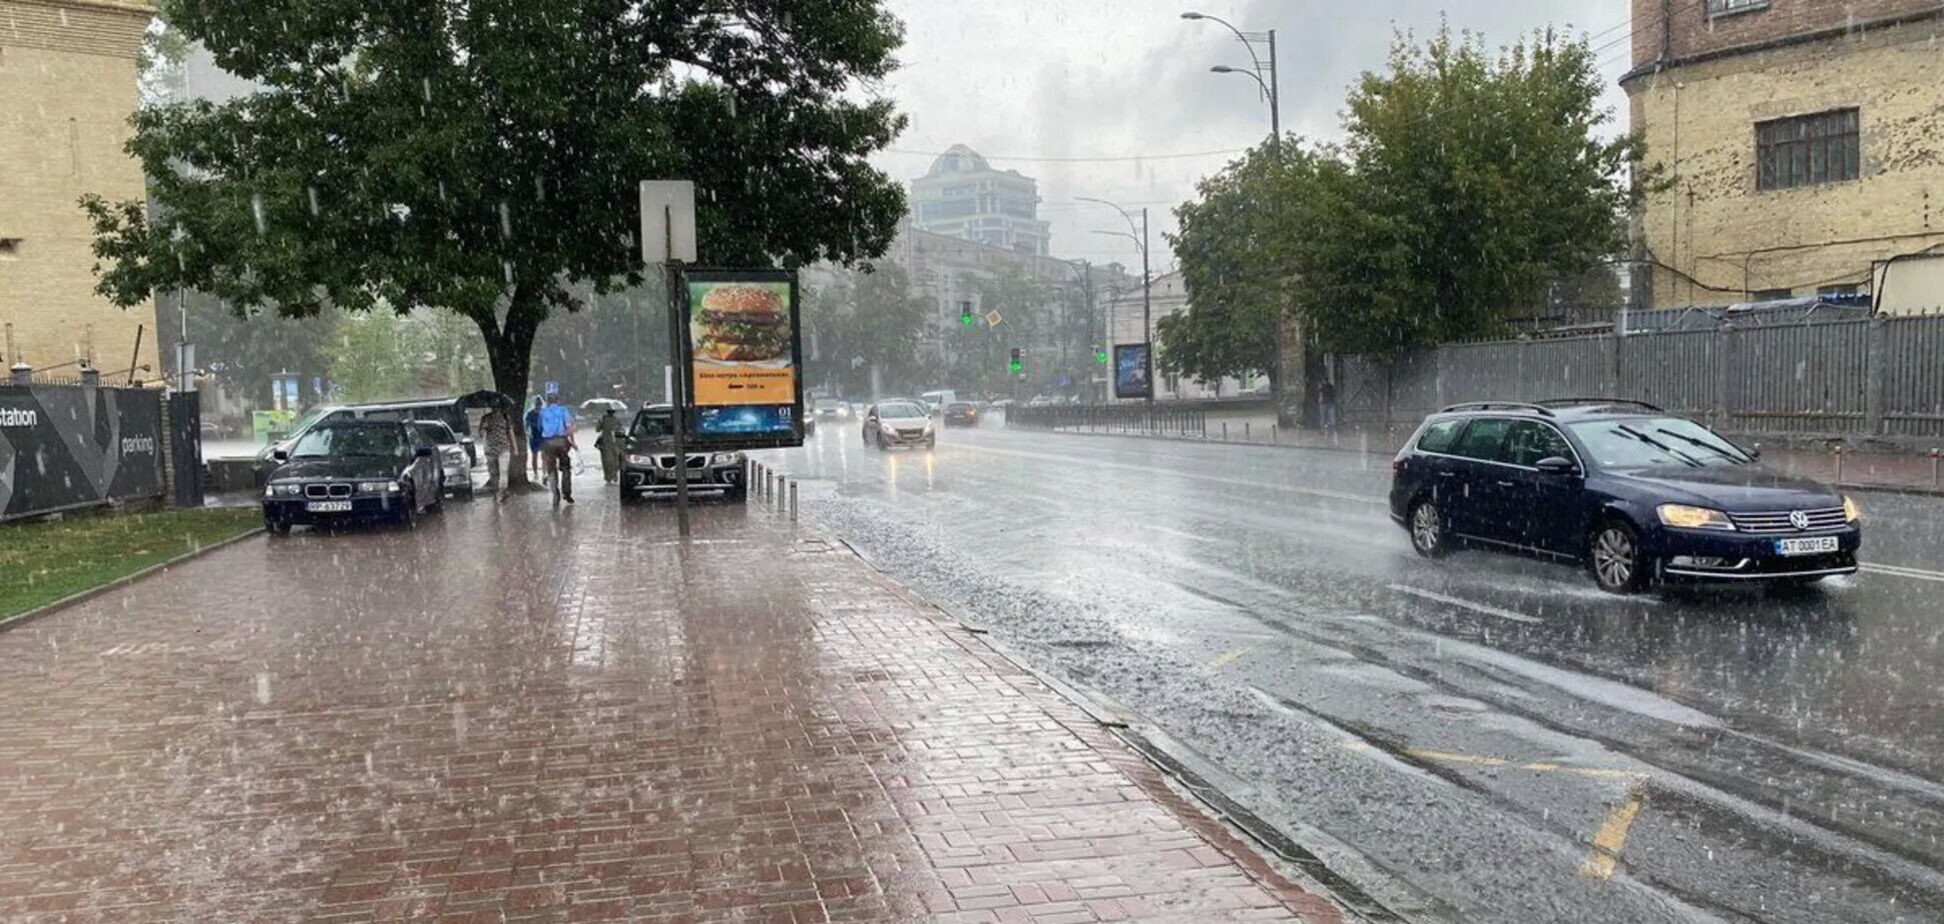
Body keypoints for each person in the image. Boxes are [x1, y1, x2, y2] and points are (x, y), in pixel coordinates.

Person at [536, 394, 577, 503]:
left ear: (548, 401)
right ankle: (567, 492)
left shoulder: (542, 412)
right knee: (566, 467)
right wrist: (571, 441)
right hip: (562, 442)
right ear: (558, 401)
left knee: (551, 467)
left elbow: (539, 428)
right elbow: (569, 427)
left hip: (548, 443)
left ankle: (555, 493)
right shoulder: (563, 410)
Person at [480, 403, 514, 501]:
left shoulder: (506, 417)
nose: (496, 408)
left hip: (504, 448)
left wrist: (515, 447)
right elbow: (481, 434)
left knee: (503, 472)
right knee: (493, 473)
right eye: (494, 406)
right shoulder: (486, 418)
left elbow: (511, 433)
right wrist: (484, 428)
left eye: (497, 406)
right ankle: (496, 492)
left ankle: (502, 492)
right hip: (490, 449)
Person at [594, 407, 624, 484]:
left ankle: (609, 477)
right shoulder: (617, 420)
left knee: (607, 461)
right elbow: (622, 430)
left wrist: (600, 421)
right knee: (615, 460)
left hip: (606, 443)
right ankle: (613, 476)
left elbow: (597, 429)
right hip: (614, 442)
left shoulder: (603, 419)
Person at [524, 396, 545, 479]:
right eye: (537, 405)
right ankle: (536, 473)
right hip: (534, 436)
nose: (538, 407)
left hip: (542, 436)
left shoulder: (543, 413)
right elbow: (526, 425)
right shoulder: (529, 413)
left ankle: (544, 473)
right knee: (535, 456)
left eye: (539, 405)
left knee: (544, 456)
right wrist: (529, 433)